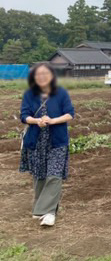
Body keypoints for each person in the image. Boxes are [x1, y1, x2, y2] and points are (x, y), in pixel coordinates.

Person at [19, 63, 74, 227]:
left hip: (57, 140)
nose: (41, 76)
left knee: (54, 175)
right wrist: (36, 121)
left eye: (45, 73)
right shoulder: (30, 94)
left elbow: (70, 114)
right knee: (40, 175)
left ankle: (47, 212)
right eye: (37, 74)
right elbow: (24, 115)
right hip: (36, 140)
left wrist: (53, 120)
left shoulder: (61, 93)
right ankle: (44, 208)